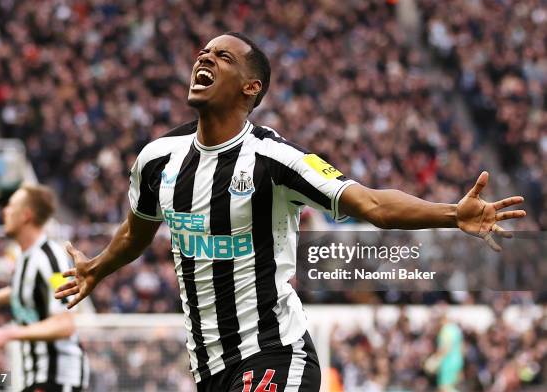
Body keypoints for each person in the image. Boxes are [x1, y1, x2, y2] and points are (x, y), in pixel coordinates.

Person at [55, 32, 526, 391]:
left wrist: (451, 214)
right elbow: (137, 232)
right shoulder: (158, 158)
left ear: (250, 87)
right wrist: (98, 268)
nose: (204, 58)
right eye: (203, 53)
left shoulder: (275, 159)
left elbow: (374, 204)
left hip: (275, 354)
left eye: (223, 57)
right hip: (208, 368)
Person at [0, 185, 89, 392]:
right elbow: (25, 289)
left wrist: (8, 334)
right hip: (35, 376)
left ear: (26, 215)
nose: (4, 211)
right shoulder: (25, 256)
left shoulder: (50, 258)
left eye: (11, 206)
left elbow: (66, 324)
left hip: (57, 377)